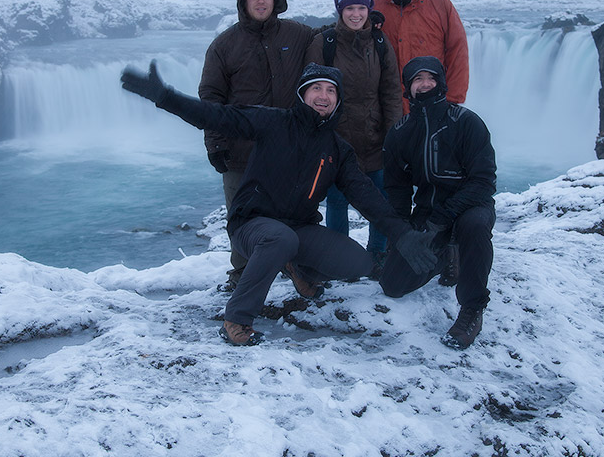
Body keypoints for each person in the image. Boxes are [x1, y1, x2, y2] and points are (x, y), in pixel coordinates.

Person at [121, 61, 436, 346]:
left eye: (330, 90)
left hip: (298, 228)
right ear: (303, 94)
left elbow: (367, 196)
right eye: (316, 88)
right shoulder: (273, 121)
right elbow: (216, 115)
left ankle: (300, 270)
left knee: (358, 262)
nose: (323, 96)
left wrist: (401, 234)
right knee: (278, 238)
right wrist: (165, 96)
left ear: (338, 99)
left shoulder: (337, 150)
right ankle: (236, 320)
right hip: (252, 225)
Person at [198, 0, 320, 292]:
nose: (262, 1)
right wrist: (215, 144)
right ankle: (242, 276)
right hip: (241, 150)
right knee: (241, 217)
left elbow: (327, 38)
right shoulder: (224, 46)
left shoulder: (298, 35)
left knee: (293, 212)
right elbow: (210, 97)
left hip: (287, 149)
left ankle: (296, 267)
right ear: (243, 1)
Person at [380, 56, 496, 350]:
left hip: (470, 207)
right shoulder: (401, 132)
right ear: (409, 87)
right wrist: (401, 235)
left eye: (430, 78)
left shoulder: (466, 123)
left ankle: (472, 308)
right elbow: (397, 189)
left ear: (441, 82)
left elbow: (483, 182)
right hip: (429, 212)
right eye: (417, 79)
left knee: (474, 227)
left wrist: (446, 216)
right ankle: (448, 254)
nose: (425, 84)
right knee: (393, 285)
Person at [305, 0, 402, 263]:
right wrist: (316, 134)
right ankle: (340, 257)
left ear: (369, 9)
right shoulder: (324, 43)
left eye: (361, 7)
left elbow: (391, 92)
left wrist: (393, 136)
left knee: (380, 200)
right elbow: (312, 91)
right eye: (350, 8)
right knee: (336, 202)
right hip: (337, 140)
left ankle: (377, 254)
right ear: (341, 10)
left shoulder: (381, 44)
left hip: (375, 138)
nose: (356, 14)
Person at [373, 0, 470, 113]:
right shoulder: (373, 7)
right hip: (387, 107)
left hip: (434, 102)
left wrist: (452, 100)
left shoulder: (439, 2)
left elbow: (457, 51)